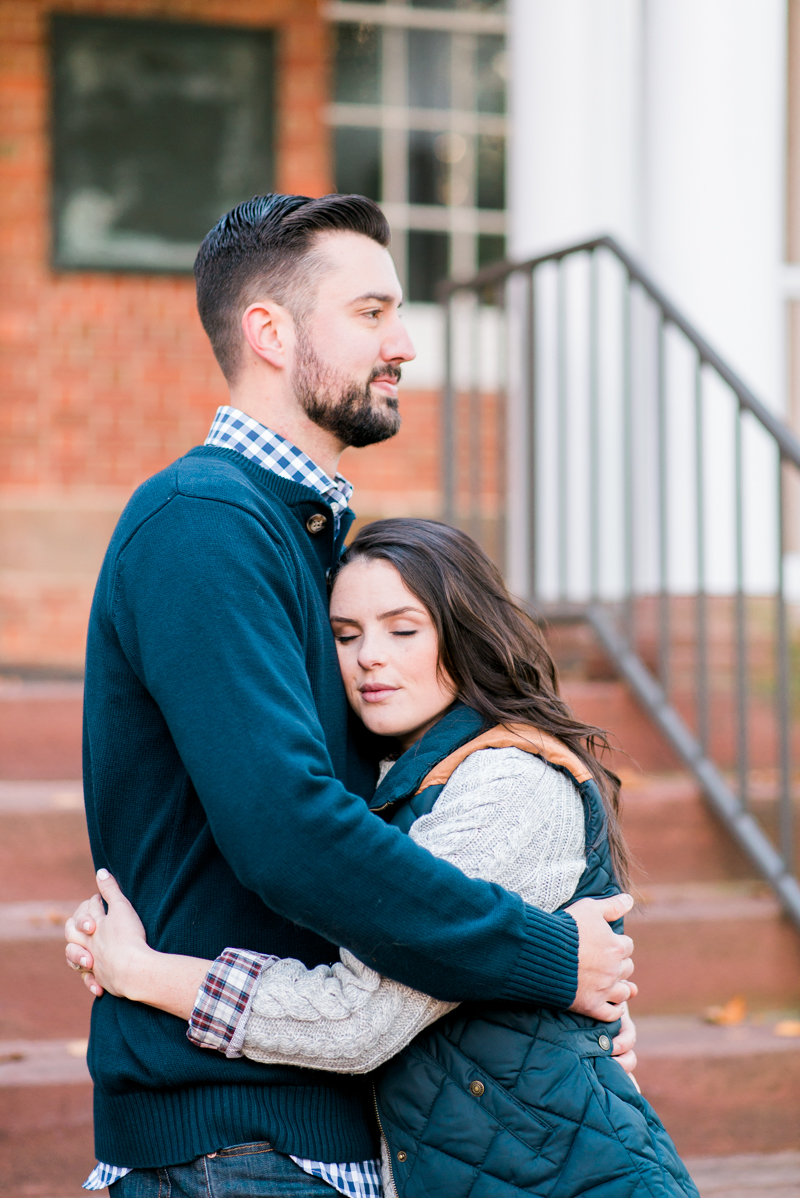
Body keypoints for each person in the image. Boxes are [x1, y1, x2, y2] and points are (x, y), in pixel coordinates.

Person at [71, 192, 637, 1197]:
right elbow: (287, 828)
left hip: (308, 1121)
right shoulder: (206, 522)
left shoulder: (298, 533)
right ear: (271, 333)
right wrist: (547, 956)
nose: (406, 344)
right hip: (231, 1135)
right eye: (371, 312)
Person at [67, 519, 697, 1198]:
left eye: (403, 629)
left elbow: (357, 1020)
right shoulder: (389, 779)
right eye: (345, 635)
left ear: (464, 632)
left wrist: (143, 970)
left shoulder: (507, 783)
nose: (370, 657)